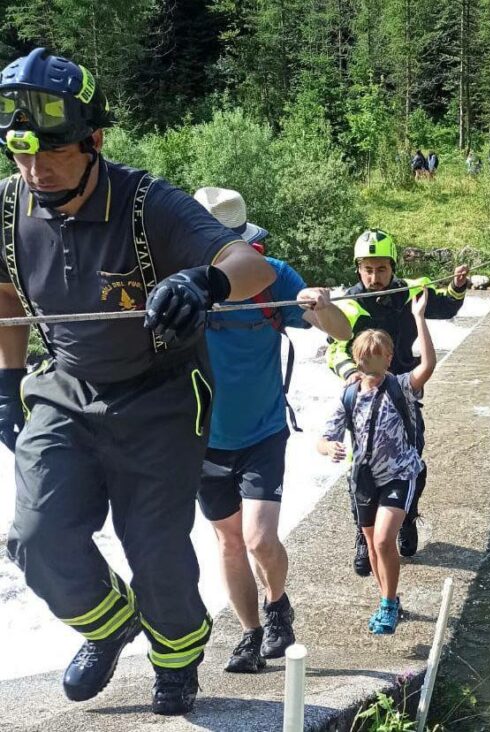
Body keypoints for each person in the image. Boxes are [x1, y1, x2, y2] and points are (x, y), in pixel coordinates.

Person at [0, 49, 275, 715]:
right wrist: (8, 383)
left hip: (161, 395)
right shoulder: (10, 207)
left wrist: (203, 281)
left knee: (153, 545)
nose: (35, 169)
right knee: (36, 537)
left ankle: (177, 656)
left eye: (52, 152)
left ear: (94, 140)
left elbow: (250, 266)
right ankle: (109, 623)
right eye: (18, 152)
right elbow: (5, 291)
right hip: (64, 388)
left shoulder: (149, 203)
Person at [193, 187, 351, 674]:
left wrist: (321, 305)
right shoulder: (177, 284)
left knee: (259, 538)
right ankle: (248, 634)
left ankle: (277, 604)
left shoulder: (272, 277)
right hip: (200, 436)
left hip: (262, 431)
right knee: (229, 542)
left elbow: (342, 332)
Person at [325, 230, 468, 576]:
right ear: (358, 270)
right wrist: (351, 377)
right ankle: (364, 535)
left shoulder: (410, 291)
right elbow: (333, 350)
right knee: (362, 467)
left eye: (381, 270)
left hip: (403, 392)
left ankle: (407, 516)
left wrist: (458, 287)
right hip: (365, 399)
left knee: (412, 462)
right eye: (368, 270)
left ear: (392, 267)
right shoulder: (348, 305)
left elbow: (444, 306)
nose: (375, 278)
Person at [317, 293, 434, 635]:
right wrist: (330, 449)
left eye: (376, 355)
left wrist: (420, 317)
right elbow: (324, 437)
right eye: (363, 356)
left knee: (384, 540)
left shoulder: (401, 387)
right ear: (356, 359)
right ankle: (389, 600)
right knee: (371, 544)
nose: (368, 361)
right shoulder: (349, 394)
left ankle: (388, 602)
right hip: (364, 477)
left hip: (400, 475)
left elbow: (427, 365)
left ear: (388, 357)